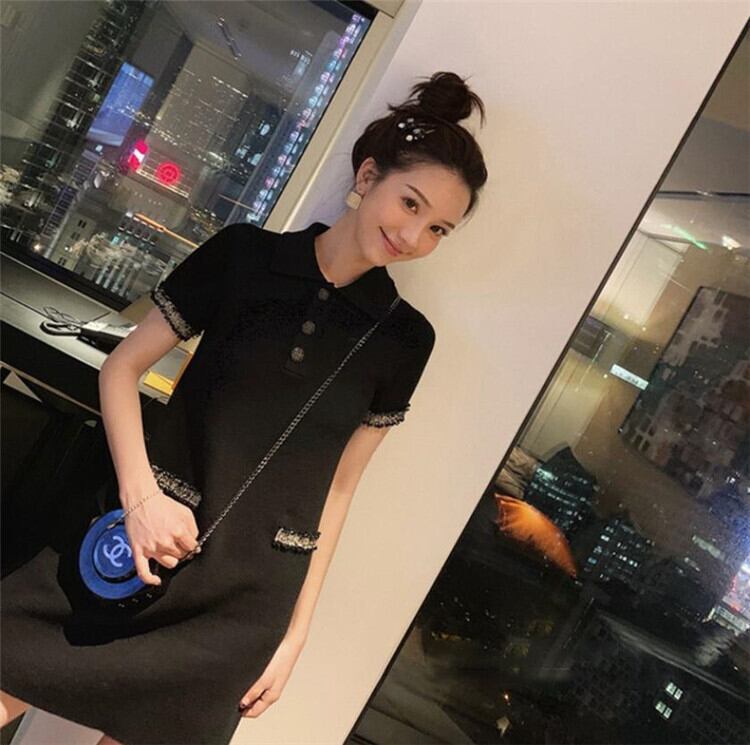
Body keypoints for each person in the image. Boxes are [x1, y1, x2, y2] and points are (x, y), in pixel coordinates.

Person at [0, 70, 488, 745]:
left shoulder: (405, 340)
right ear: (368, 174)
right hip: (146, 539)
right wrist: (140, 500)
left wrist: (294, 634)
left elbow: (339, 489)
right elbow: (122, 367)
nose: (413, 235)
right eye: (410, 203)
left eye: (437, 228)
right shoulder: (244, 256)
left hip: (243, 601)